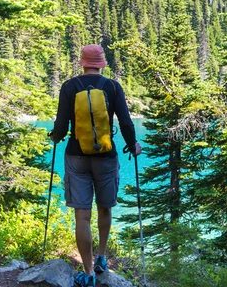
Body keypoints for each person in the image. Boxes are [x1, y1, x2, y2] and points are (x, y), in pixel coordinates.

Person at [50, 44, 141, 287]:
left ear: (82, 63)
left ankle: (88, 272)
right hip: (106, 157)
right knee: (105, 207)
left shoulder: (69, 87)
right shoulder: (112, 86)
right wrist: (133, 145)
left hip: (76, 156)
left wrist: (55, 137)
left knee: (82, 215)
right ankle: (102, 257)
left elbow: (60, 126)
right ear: (101, 64)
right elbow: (125, 122)